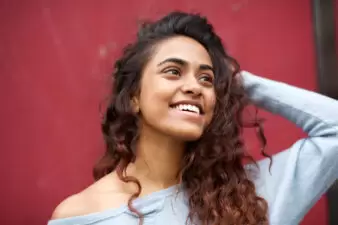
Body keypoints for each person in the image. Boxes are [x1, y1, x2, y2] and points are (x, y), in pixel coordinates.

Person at [48, 12, 338, 225]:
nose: (194, 87)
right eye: (173, 71)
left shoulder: (252, 197)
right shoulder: (82, 215)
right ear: (134, 96)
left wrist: (237, 80)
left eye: (206, 79)